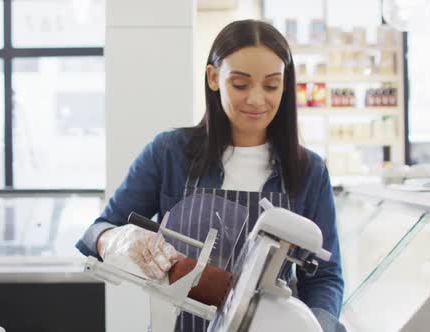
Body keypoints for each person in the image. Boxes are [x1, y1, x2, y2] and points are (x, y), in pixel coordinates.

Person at [76, 19, 344, 332]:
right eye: (241, 84)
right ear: (214, 78)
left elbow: (325, 276)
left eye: (271, 85)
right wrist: (115, 239)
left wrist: (318, 327)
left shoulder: (308, 170)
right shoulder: (170, 153)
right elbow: (94, 232)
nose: (257, 99)